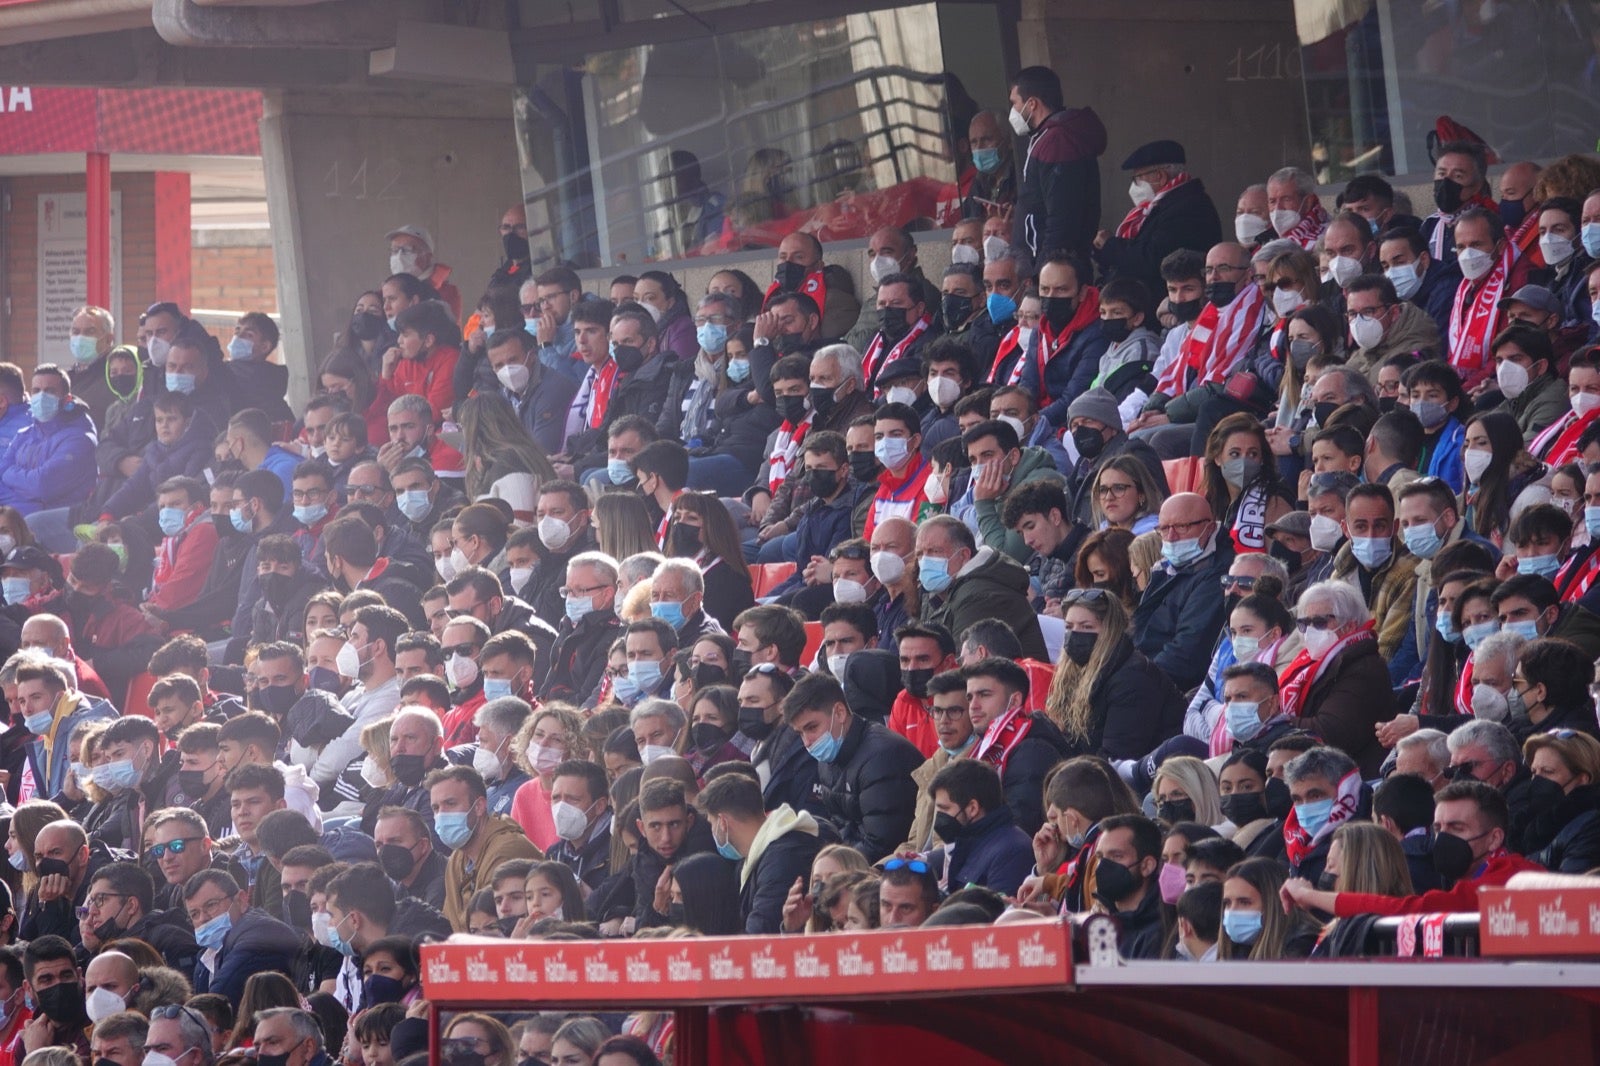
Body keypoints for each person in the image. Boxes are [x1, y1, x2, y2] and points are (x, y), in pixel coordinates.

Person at [1282, 780, 1542, 918]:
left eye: (1457, 828)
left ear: (1494, 839)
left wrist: (1310, 896)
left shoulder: (1513, 878)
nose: (1443, 838)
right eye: (1438, 828)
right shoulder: (1455, 877)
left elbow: (1409, 911)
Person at [782, 673, 922, 861]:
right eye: (800, 733)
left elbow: (882, 844)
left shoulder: (882, 758)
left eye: (812, 727)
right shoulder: (829, 755)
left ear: (839, 713)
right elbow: (838, 828)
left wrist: (831, 872)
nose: (807, 742)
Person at [696, 772, 831, 934]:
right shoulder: (752, 857)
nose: (712, 831)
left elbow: (761, 933)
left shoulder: (781, 860)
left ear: (723, 822)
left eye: (712, 823)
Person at [1093, 139, 1222, 296]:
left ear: (1160, 176)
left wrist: (1110, 245)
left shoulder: (1188, 208)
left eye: (1137, 178)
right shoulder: (1162, 206)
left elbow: (1151, 260)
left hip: (1165, 304)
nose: (1134, 186)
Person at [1132, 493, 1236, 689]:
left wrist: (1135, 680)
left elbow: (1186, 656)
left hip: (1169, 687)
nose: (1171, 537)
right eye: (1164, 529)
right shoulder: (1165, 568)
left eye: (1182, 527)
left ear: (1210, 527)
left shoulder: (1219, 575)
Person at [1008, 65, 1106, 262]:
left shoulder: (1057, 142)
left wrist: (1046, 268)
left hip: (1055, 270)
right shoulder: (1047, 137)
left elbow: (1062, 218)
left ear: (1032, 104)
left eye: (1015, 103)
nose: (1013, 111)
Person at [914, 515, 1047, 660]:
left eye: (934, 551)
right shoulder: (944, 593)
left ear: (964, 555)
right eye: (920, 554)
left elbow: (961, 667)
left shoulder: (979, 596)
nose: (925, 561)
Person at [926, 759, 1033, 896]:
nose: (940, 817)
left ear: (972, 808)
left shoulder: (1011, 853)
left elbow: (995, 913)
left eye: (945, 809)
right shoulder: (969, 842)